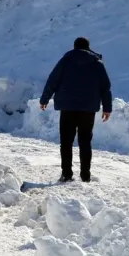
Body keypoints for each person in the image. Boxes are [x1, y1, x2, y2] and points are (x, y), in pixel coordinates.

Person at [39, 37, 112, 183]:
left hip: (68, 108)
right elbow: (105, 87)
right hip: (88, 109)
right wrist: (107, 108)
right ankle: (85, 176)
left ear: (74, 47)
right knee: (85, 142)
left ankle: (67, 174)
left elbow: (53, 80)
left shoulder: (66, 60)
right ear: (88, 47)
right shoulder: (97, 63)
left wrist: (44, 99)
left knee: (66, 142)